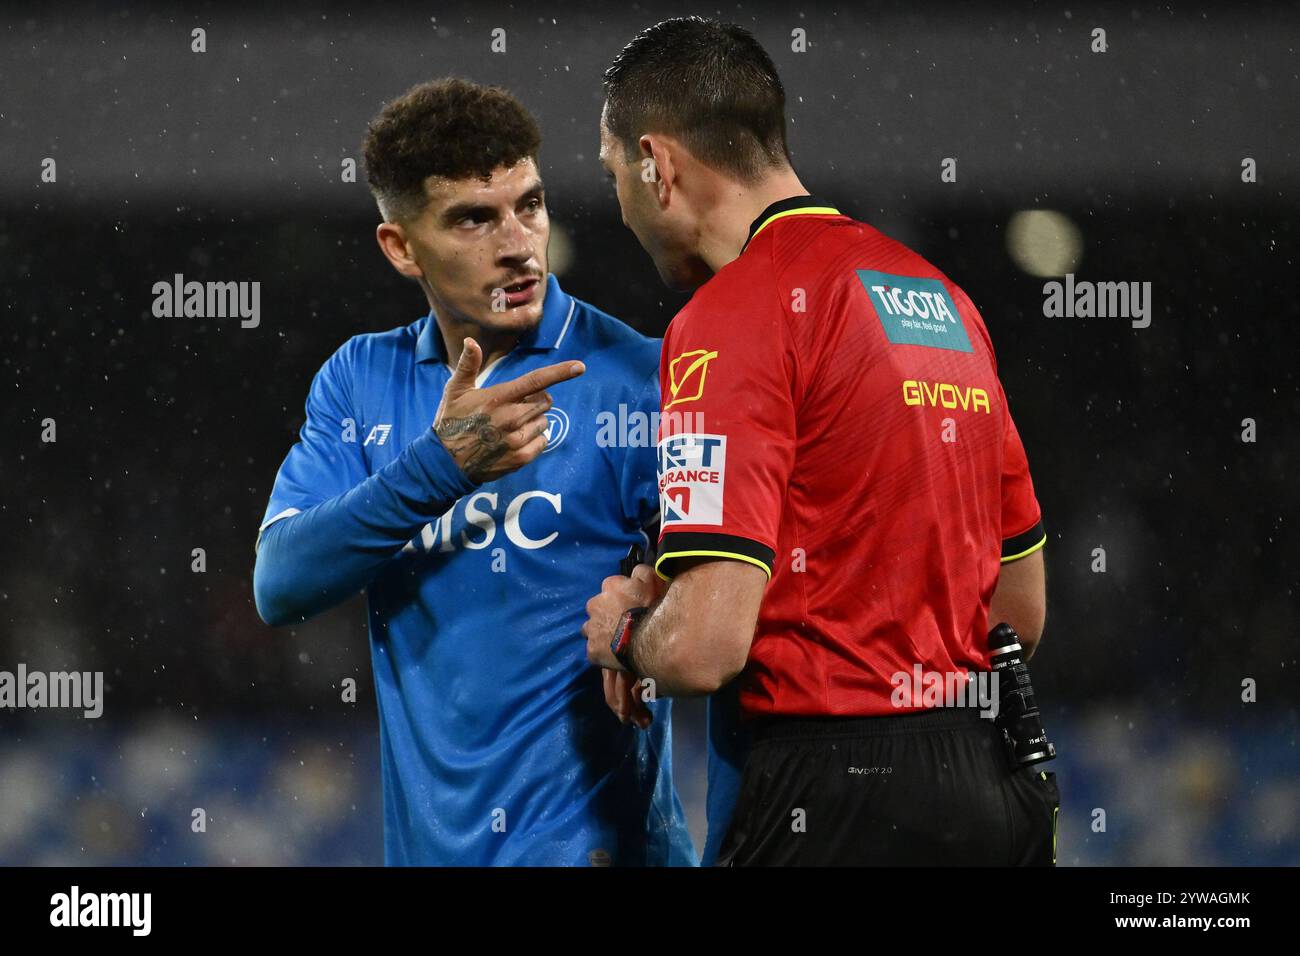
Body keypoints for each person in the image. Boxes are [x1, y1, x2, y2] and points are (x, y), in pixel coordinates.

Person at [583, 17, 1057, 865]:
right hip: (990, 784)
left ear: (658, 166)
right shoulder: (944, 303)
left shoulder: (729, 316)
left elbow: (702, 646)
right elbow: (1017, 610)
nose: (618, 203)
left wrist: (627, 633)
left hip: (832, 798)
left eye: (614, 172)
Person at [253, 77, 696, 866]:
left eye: (529, 204)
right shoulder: (360, 379)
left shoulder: (644, 377)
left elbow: (734, 588)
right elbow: (280, 583)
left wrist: (654, 593)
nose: (518, 243)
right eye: (473, 219)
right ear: (400, 246)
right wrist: (440, 467)